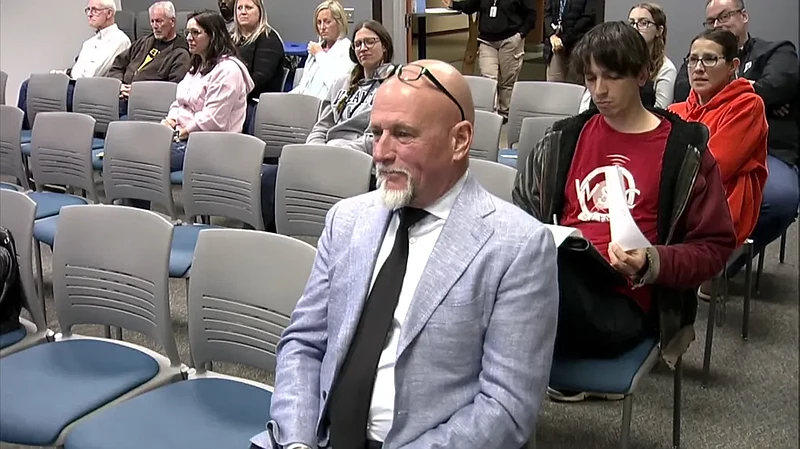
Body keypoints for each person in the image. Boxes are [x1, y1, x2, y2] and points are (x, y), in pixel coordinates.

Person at [250, 59, 558, 449]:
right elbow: (303, 344)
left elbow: (506, 408)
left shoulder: (518, 247)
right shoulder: (347, 220)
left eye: (403, 135)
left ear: (460, 140)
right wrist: (296, 440)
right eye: (376, 133)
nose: (380, 152)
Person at [513, 21, 736, 401]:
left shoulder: (684, 152)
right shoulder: (563, 140)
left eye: (612, 78)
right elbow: (521, 215)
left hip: (628, 305)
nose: (599, 91)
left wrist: (652, 261)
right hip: (555, 289)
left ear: (643, 74)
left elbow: (714, 246)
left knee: (531, 289)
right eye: (590, 78)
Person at [673, 0, 800, 256]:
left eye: (724, 16)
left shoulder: (776, 50)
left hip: (771, 150)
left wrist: (751, 95)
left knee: (779, 200)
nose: (718, 24)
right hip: (708, 141)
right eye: (711, 21)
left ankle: (727, 262)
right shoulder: (699, 59)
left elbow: (779, 86)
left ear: (744, 16)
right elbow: (683, 90)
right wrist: (768, 99)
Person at [259, 20, 394, 234]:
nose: (363, 48)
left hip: (361, 160)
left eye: (370, 42)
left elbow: (378, 137)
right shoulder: (343, 83)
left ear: (384, 45)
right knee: (271, 178)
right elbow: (322, 125)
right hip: (327, 152)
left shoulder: (393, 86)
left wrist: (337, 152)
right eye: (358, 44)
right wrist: (315, 150)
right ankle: (278, 238)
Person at [669, 29, 768, 268]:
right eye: (693, 59)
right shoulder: (676, 111)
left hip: (721, 204)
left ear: (733, 65)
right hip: (677, 198)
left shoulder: (748, 105)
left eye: (710, 59)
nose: (699, 68)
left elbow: (716, 166)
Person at [162, 10, 254, 172]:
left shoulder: (228, 70)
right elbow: (180, 102)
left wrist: (180, 133)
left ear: (213, 36)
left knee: (148, 157)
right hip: (185, 138)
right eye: (187, 32)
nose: (189, 38)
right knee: (137, 152)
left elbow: (213, 120)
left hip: (211, 145)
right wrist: (171, 120)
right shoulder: (197, 65)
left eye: (196, 33)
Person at [17, 0, 130, 128]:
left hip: (89, 91)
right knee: (28, 84)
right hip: (74, 84)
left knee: (32, 89)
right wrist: (63, 74)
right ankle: (23, 134)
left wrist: (67, 78)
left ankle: (24, 132)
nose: (90, 14)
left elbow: (92, 74)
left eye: (95, 10)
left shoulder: (120, 40)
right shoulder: (89, 43)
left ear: (109, 13)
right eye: (88, 10)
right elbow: (77, 70)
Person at [442, 0, 536, 121]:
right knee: (488, 77)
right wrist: (454, 5)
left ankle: (505, 112)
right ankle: (492, 113)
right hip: (487, 41)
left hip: (510, 40)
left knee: (507, 81)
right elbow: (472, 5)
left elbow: (531, 14)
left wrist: (520, 34)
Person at [578, 2, 676, 112]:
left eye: (643, 23)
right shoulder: (616, 58)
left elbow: (660, 111)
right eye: (632, 23)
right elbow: (586, 105)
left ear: (659, 30)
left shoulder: (666, 68)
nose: (635, 28)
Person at [106, 1, 191, 117]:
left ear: (172, 21)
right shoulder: (143, 42)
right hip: (120, 98)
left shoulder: (181, 53)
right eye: (152, 21)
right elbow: (117, 65)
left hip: (145, 108)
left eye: (159, 21)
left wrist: (138, 92)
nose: (155, 26)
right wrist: (119, 85)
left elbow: (172, 91)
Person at [232, 0, 286, 134]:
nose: (243, 12)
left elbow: (260, 78)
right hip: (233, 97)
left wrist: (232, 92)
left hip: (255, 101)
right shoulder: (231, 39)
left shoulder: (269, 39)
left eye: (248, 8)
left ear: (260, 12)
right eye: (239, 8)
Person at [291, 0, 355, 100]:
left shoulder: (347, 50)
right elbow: (304, 85)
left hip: (325, 108)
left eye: (327, 22)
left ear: (339, 22)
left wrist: (320, 54)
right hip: (303, 104)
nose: (322, 27)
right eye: (319, 22)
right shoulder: (317, 48)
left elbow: (336, 87)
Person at [543, 0, 601, 83]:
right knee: (553, 84)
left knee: (574, 84)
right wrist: (552, 35)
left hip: (577, 46)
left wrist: (563, 38)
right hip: (555, 45)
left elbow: (588, 18)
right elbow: (547, 14)